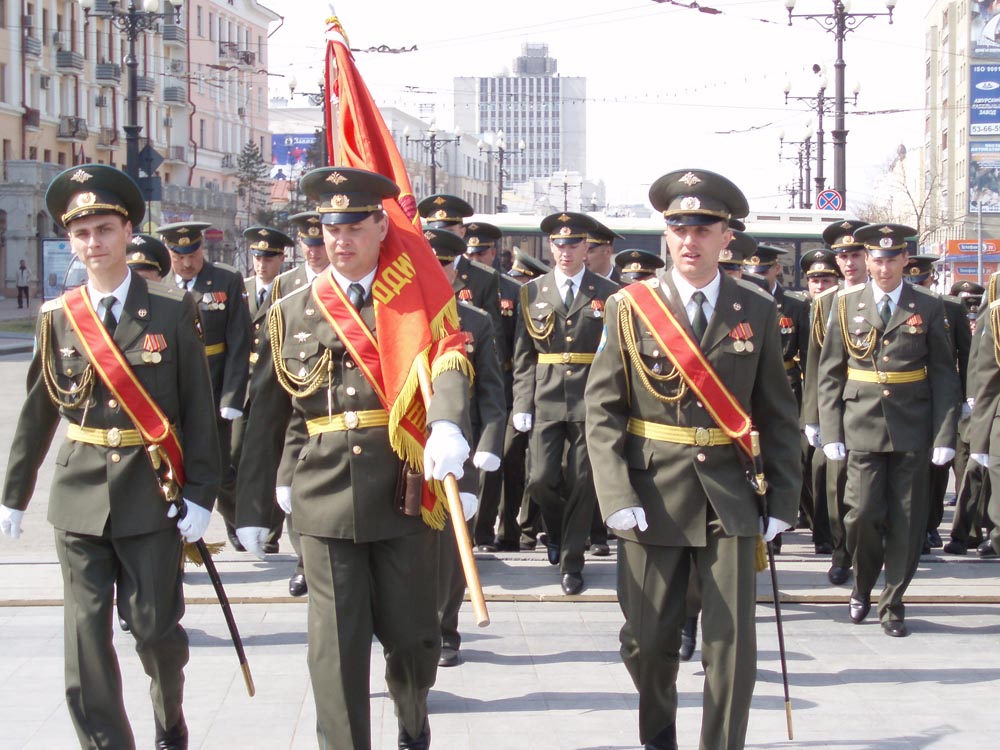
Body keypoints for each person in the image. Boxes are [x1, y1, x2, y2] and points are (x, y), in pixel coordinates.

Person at [234, 167, 472, 750]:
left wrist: (445, 422)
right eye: (327, 226)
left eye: (354, 226)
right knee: (335, 646)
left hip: (403, 491)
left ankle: (413, 724)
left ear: (380, 226)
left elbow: (445, 359)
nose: (339, 239)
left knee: (415, 638)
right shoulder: (291, 309)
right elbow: (268, 411)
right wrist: (253, 503)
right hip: (324, 495)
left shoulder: (412, 299)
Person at [0, 165, 220, 750]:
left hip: (152, 497)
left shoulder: (172, 315)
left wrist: (201, 496)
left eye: (104, 229)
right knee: (84, 636)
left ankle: (169, 715)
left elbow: (198, 414)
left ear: (128, 232)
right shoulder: (57, 317)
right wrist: (13, 494)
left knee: (155, 633)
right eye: (82, 234)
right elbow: (38, 412)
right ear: (70, 242)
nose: (93, 243)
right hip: (77, 499)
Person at [586, 168, 800, 750]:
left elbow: (777, 412)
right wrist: (615, 497)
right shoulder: (629, 308)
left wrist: (782, 499)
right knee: (648, 642)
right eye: (679, 227)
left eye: (703, 228)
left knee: (732, 647)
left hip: (730, 498)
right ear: (666, 233)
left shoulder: (752, 308)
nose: (690, 239)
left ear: (725, 234)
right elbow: (602, 409)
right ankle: (659, 737)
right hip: (651, 496)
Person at [818, 223, 961, 637]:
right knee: (861, 514)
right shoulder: (845, 306)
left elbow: (943, 376)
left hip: (913, 427)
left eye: (891, 259)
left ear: (904, 261)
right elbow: (828, 372)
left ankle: (893, 601)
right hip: (860, 423)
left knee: (907, 520)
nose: (883, 267)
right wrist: (830, 431)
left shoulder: (929, 306)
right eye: (876, 260)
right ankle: (862, 586)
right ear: (866, 260)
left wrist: (944, 434)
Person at [512, 211, 618, 595]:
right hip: (546, 396)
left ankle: (573, 561)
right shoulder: (532, 292)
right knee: (540, 479)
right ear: (551, 247)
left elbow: (614, 354)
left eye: (573, 244)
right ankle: (555, 530)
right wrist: (521, 403)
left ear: (586, 247)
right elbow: (523, 354)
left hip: (591, 397)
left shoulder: (607, 293)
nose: (566, 251)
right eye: (559, 244)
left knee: (583, 480)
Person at [425, 227, 506, 668]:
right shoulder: (395, 322)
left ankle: (444, 629)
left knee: (453, 546)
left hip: (461, 446)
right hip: (408, 447)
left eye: (443, 266)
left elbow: (492, 392)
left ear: (455, 274)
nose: (434, 273)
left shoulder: (474, 321)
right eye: (426, 265)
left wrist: (489, 445)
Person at [160, 221, 251, 552]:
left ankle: (239, 520)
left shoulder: (225, 280)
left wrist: (232, 393)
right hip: (176, 392)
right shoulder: (160, 284)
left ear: (202, 250)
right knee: (175, 466)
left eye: (192, 253)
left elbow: (239, 341)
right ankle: (178, 537)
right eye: (178, 255)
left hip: (214, 388)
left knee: (220, 465)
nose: (186, 262)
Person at [801, 219, 869, 584]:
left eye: (855, 254)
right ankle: (842, 552)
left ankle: (872, 549)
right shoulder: (826, 303)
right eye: (842, 255)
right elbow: (815, 361)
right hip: (837, 405)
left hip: (877, 408)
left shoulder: (886, 297)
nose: (848, 263)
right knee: (836, 482)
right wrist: (812, 416)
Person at [270, 210, 333, 597]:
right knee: (298, 497)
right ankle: (301, 564)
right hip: (301, 407)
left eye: (318, 242)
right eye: (307, 243)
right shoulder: (287, 291)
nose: (313, 251)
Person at [230, 226, 294, 555]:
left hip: (276, 380)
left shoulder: (290, 289)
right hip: (244, 383)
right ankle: (238, 519)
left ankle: (270, 532)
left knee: (278, 457)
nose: (261, 263)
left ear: (281, 259)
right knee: (234, 455)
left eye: (268, 257)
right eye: (257, 257)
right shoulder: (240, 289)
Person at [904, 254, 972, 552]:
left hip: (943, 395)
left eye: (922, 279)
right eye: (912, 280)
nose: (918, 285)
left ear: (932, 278)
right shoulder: (899, 306)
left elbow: (965, 354)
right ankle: (909, 527)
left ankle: (930, 526)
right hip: (909, 393)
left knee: (939, 464)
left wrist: (968, 395)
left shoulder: (952, 307)